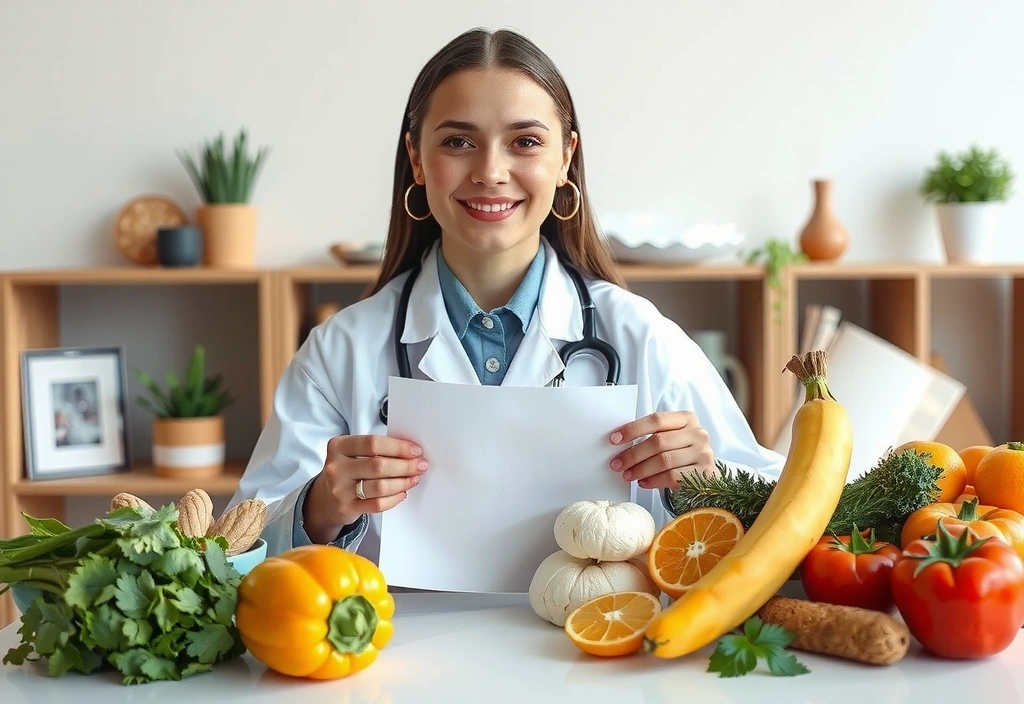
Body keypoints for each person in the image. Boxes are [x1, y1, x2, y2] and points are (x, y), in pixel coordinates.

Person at [229, 27, 784, 561]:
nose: (492, 171)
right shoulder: (339, 351)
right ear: (417, 160)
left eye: (525, 141)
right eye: (458, 142)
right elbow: (236, 545)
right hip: (401, 655)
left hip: (591, 650)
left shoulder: (643, 339)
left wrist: (708, 484)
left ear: (565, 157)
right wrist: (320, 507)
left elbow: (780, 518)